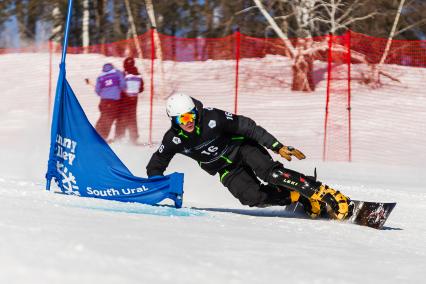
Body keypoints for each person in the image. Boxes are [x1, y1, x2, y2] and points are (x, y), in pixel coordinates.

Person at [146, 93, 353, 220]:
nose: (187, 121)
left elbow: (247, 126)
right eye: (181, 119)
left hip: (242, 148)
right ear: (173, 120)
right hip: (225, 168)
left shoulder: (213, 118)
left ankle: (326, 194)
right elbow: (156, 165)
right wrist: (157, 188)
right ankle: (299, 196)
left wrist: (276, 146)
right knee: (252, 198)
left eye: (190, 115)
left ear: (196, 112)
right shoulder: (173, 139)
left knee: (271, 174)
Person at [115, 57, 144, 143]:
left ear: (124, 65)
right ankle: (133, 137)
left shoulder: (123, 74)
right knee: (132, 118)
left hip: (124, 99)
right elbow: (141, 89)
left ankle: (119, 137)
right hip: (134, 100)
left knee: (121, 117)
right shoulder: (138, 75)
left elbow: (120, 86)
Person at [94, 63, 126, 141]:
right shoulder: (117, 73)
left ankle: (95, 135)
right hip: (114, 101)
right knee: (109, 119)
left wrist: (103, 93)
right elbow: (123, 85)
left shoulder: (101, 76)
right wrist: (119, 90)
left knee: (103, 117)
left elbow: (97, 90)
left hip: (103, 101)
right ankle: (102, 138)